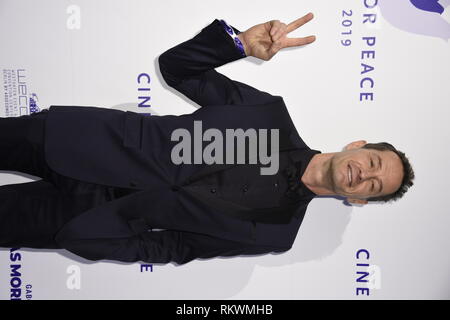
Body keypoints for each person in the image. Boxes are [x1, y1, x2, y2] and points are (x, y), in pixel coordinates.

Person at [0, 13, 414, 265]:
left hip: (87, 217)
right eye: (374, 163)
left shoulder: (277, 235)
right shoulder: (268, 114)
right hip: (80, 141)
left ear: (359, 200)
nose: (364, 175)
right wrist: (237, 45)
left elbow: (179, 248)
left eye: (373, 187)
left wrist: (114, 244)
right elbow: (177, 68)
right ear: (358, 146)